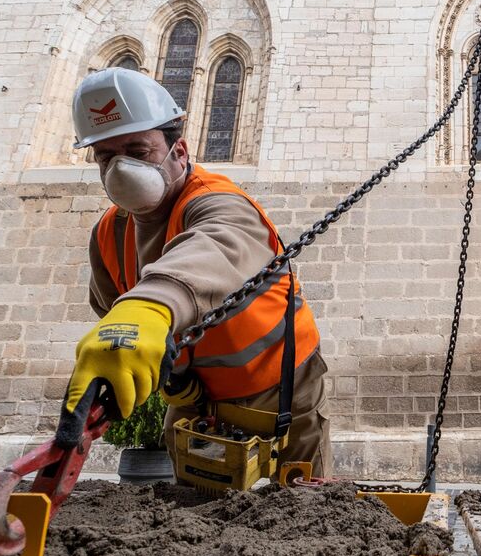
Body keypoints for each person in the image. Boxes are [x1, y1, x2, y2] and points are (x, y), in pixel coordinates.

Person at [62, 67, 331, 476]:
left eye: (138, 151)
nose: (120, 168)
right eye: (106, 157)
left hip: (281, 386)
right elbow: (112, 309)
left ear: (179, 152)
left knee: (308, 508)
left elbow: (217, 244)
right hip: (193, 397)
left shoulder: (217, 200)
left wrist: (148, 307)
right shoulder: (108, 233)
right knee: (188, 512)